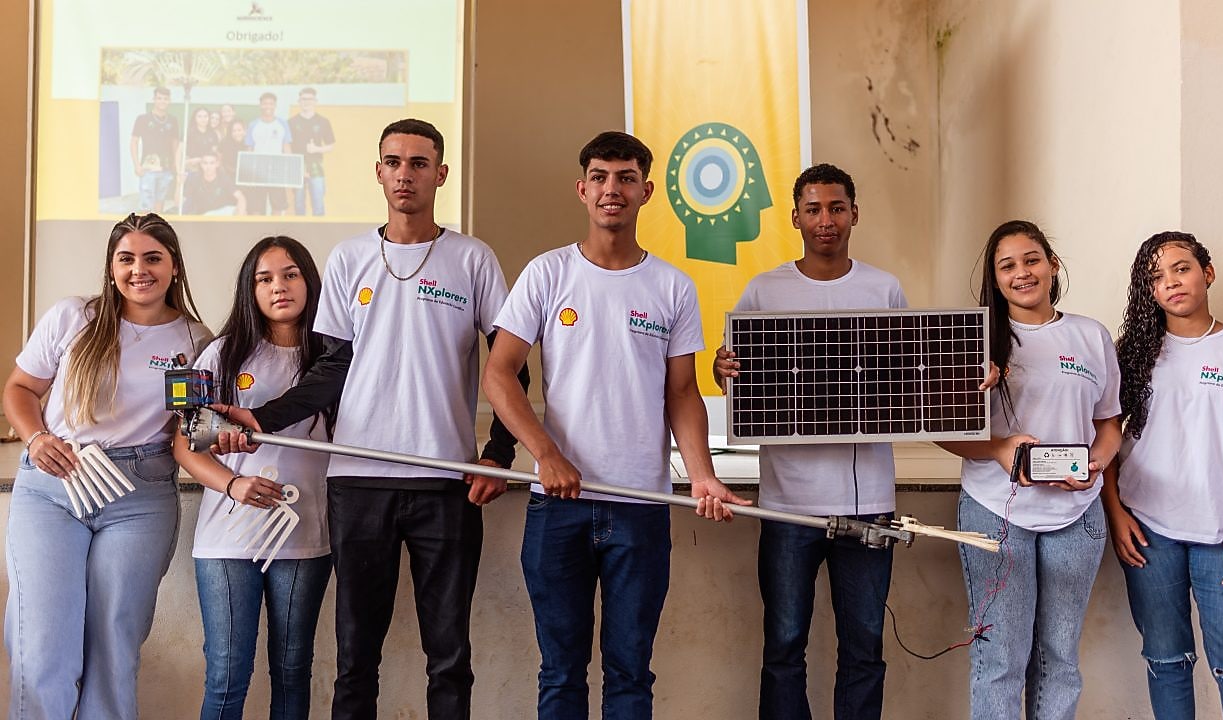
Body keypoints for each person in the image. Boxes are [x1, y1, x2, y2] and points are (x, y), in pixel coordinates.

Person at [213, 118, 523, 720]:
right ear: (378, 172)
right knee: (356, 657)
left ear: (441, 173)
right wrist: (263, 418)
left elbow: (512, 369)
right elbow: (331, 371)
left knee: (449, 657)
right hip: (357, 482)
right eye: (393, 162)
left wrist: (498, 454)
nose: (405, 174)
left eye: (418, 163)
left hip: (445, 482)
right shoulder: (352, 256)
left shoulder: (473, 259)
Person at [483, 130, 747, 720]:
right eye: (600, 177)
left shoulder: (673, 286)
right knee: (560, 674)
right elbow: (499, 374)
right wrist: (546, 455)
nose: (612, 189)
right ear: (582, 189)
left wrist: (701, 476)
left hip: (640, 505)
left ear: (646, 191)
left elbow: (682, 393)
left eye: (626, 178)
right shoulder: (547, 274)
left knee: (630, 675)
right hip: (559, 505)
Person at [713, 163, 905, 720]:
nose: (827, 220)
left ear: (854, 215)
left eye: (837, 208)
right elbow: (733, 374)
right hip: (788, 505)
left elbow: (906, 378)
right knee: (783, 648)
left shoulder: (883, 287)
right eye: (815, 209)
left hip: (869, 502)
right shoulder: (763, 290)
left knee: (865, 649)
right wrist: (723, 370)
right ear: (796, 217)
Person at [3, 213, 209, 718]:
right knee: (44, 639)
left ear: (175, 267)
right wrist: (36, 438)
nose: (139, 269)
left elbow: (190, 431)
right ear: (111, 267)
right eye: (126, 259)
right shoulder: (75, 317)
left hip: (138, 499)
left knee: (114, 643)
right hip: (53, 487)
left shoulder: (195, 341)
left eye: (153, 258)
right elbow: (20, 389)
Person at [935, 220, 1121, 720]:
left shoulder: (1091, 335)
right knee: (1000, 658)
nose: (1022, 273)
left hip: (1077, 517)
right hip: (996, 513)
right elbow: (942, 429)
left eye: (1032, 260)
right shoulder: (973, 340)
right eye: (1008, 266)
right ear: (995, 280)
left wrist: (1095, 463)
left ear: (1053, 265)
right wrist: (998, 450)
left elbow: (1109, 424)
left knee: (1059, 660)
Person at [1105, 231, 1223, 719]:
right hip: (1148, 535)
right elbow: (1106, 443)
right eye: (1156, 277)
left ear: (1208, 271)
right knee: (1167, 663)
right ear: (1149, 291)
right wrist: (1116, 514)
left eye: (1181, 268)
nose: (1171, 283)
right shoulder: (1131, 355)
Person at [175, 236, 334, 720]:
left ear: (309, 281)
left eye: (290, 274)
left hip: (304, 537)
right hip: (227, 539)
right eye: (264, 278)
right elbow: (185, 443)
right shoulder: (219, 354)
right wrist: (233, 485)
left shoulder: (334, 359)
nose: (279, 287)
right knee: (226, 676)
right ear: (250, 289)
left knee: (291, 672)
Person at [130, 87, 180, 212]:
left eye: (165, 99)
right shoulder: (142, 119)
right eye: (159, 98)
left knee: (160, 200)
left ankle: (156, 228)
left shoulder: (173, 120)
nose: (162, 101)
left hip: (166, 168)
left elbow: (175, 144)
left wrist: (175, 164)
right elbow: (134, 142)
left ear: (169, 101)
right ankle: (145, 228)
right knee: (146, 203)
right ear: (154, 99)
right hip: (148, 168)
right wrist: (137, 165)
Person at [288, 87, 336, 216]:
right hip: (297, 169)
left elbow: (331, 145)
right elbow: (287, 147)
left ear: (315, 101)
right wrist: (296, 166)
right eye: (303, 99)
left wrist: (316, 149)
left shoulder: (323, 121)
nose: (306, 102)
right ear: (299, 101)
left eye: (309, 99)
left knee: (318, 204)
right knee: (298, 205)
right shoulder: (291, 122)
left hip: (316, 168)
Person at [245, 92, 292, 216]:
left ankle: (275, 234)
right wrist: (248, 172)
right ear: (260, 105)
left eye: (271, 103)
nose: (268, 106)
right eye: (265, 103)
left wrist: (288, 171)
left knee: (277, 206)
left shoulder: (282, 124)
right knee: (256, 208)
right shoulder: (253, 124)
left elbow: (286, 147)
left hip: (277, 170)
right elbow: (249, 148)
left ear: (275, 105)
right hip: (257, 172)